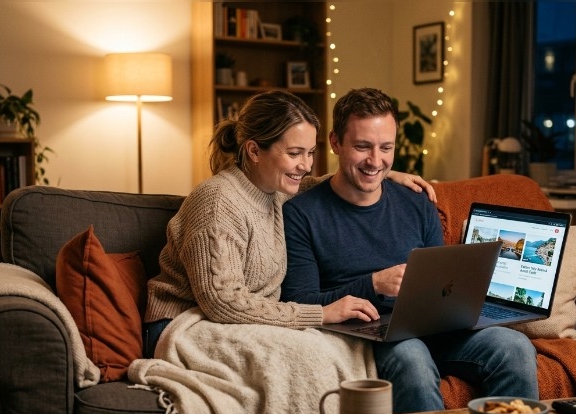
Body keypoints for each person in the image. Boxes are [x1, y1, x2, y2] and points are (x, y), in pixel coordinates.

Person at [281, 87, 539, 414]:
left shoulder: (417, 202)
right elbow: (299, 301)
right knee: (413, 359)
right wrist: (372, 284)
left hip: (434, 327)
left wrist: (464, 300)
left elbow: (445, 282)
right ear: (335, 143)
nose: (376, 161)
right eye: (362, 147)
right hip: (369, 332)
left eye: (386, 147)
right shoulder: (302, 213)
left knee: (514, 347)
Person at [142, 89, 434, 357]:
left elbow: (324, 184)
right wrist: (320, 314)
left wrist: (383, 175)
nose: (305, 165)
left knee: (324, 353)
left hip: (241, 321)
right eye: (294, 154)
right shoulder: (218, 202)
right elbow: (223, 302)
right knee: (305, 357)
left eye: (309, 153)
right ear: (255, 151)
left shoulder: (274, 192)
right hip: (185, 323)